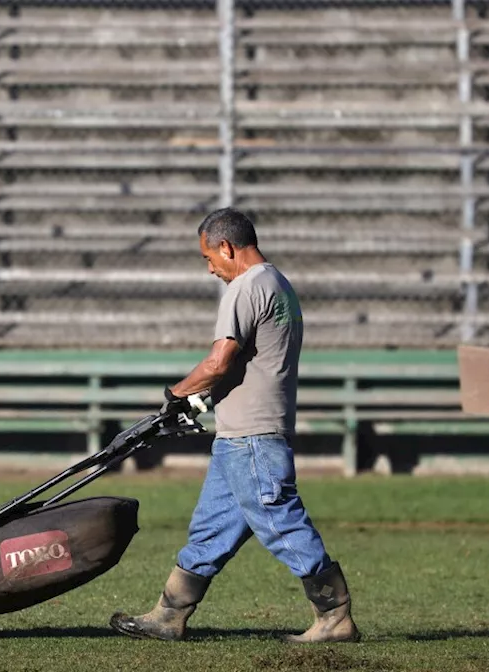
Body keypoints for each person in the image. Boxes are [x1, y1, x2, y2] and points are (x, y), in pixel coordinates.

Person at [109, 208, 360, 644]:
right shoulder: (278, 285)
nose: (210, 269)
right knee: (210, 529)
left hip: (253, 436)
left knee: (280, 521)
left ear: (227, 247)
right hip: (238, 435)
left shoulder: (246, 287)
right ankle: (169, 615)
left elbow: (219, 361)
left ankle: (334, 614)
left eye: (209, 258)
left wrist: (176, 394)